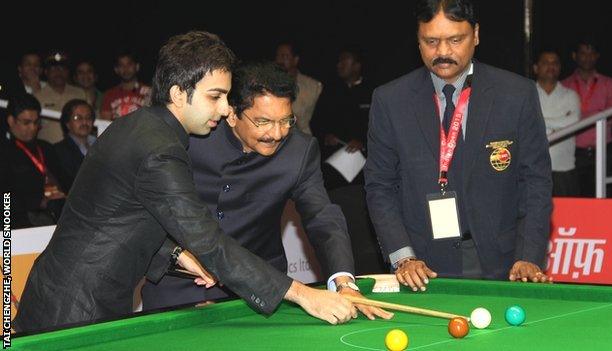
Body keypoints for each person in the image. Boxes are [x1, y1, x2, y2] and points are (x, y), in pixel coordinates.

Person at [14, 31, 357, 334]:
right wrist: (303, 293)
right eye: (215, 96)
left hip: (69, 296)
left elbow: (120, 216)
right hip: (77, 308)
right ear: (179, 93)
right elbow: (207, 239)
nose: (225, 109)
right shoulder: (160, 148)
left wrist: (177, 255)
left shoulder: (140, 126)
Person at [141, 62, 392, 321]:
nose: (276, 133)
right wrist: (174, 255)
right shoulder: (188, 139)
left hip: (261, 292)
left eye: (286, 121)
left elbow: (322, 217)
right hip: (182, 284)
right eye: (263, 121)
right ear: (232, 113)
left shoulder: (299, 151)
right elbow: (141, 213)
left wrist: (344, 282)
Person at [364, 0, 553, 292]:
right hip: (422, 268)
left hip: (503, 264)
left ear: (475, 35)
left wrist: (528, 257)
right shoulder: (390, 100)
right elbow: (380, 187)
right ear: (417, 40)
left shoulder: (516, 94)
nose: (442, 52)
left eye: (455, 40)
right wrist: (403, 257)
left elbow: (535, 182)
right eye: (431, 41)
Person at [312, 48, 386, 274]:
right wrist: (327, 135)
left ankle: (372, 274)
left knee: (365, 230)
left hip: (365, 176)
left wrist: (362, 141)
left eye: (345, 60)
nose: (340, 65)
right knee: (341, 228)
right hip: (336, 176)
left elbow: (382, 130)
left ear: (357, 65)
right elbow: (315, 124)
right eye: (339, 60)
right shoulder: (330, 91)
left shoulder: (375, 92)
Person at [561, 38, 612, 197]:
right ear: (574, 56)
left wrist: (577, 117)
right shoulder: (564, 85)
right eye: (583, 53)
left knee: (604, 197)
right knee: (577, 197)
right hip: (574, 153)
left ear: (597, 56)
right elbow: (562, 119)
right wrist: (597, 113)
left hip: (604, 151)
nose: (588, 57)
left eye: (592, 53)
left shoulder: (609, 83)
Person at [0, 94, 69, 228]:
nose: (33, 127)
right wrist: (38, 201)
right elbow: (4, 199)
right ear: (11, 121)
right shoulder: (3, 151)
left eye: (36, 122)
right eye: (26, 122)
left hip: (56, 216)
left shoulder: (46, 148)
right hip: (17, 223)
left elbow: (65, 179)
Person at [533, 49, 581, 197]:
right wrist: (560, 123)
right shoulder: (526, 93)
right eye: (546, 62)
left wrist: (540, 121)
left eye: (555, 63)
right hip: (533, 169)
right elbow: (524, 123)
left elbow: (574, 122)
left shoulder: (570, 95)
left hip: (564, 168)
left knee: (569, 218)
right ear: (536, 68)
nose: (551, 66)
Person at [34, 51, 88, 144]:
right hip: (49, 149)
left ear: (67, 72)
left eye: (62, 68)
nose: (58, 72)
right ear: (46, 72)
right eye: (54, 68)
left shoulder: (79, 93)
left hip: (77, 149)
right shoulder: (37, 96)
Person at [275, 42, 322, 135]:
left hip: (304, 139)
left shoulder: (313, 86)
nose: (279, 60)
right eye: (277, 56)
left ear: (295, 60)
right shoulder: (269, 84)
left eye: (284, 56)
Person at [54, 99, 96, 187]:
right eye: (78, 118)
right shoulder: (59, 151)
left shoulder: (102, 145)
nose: (84, 122)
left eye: (88, 117)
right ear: (67, 123)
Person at [100, 51, 151, 120]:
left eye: (129, 64)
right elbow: (105, 123)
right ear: (116, 70)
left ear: (137, 67)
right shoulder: (109, 95)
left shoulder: (149, 92)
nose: (125, 68)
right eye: (121, 65)